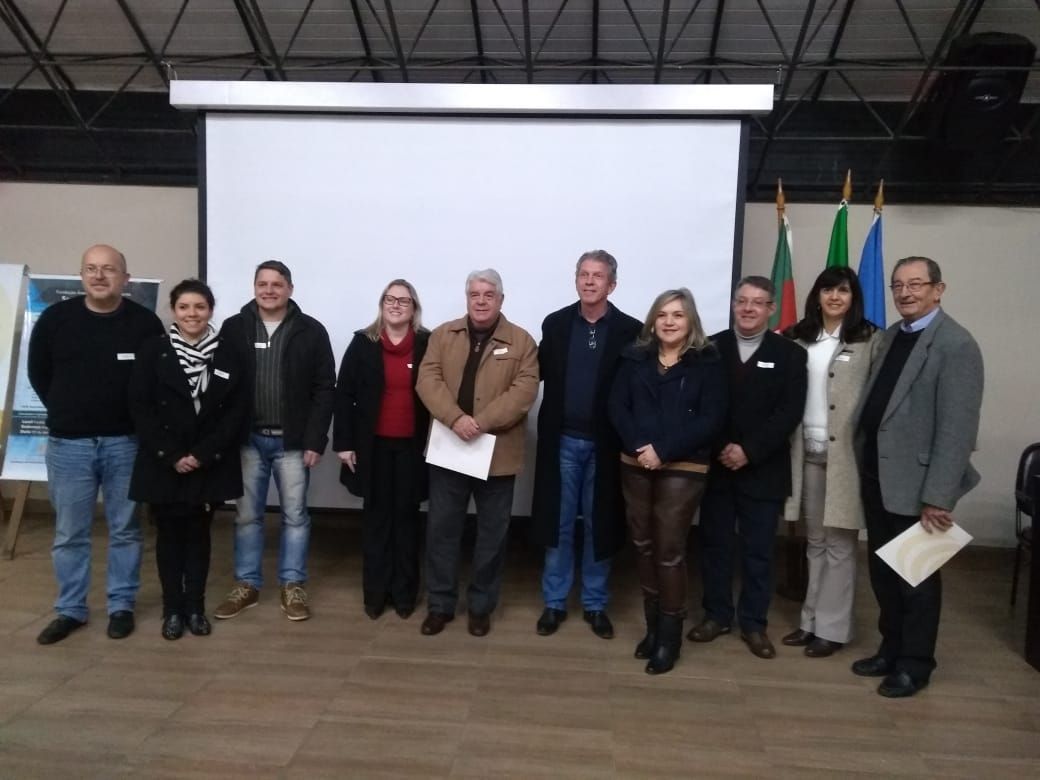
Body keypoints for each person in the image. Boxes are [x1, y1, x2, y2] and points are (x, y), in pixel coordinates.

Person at [852, 256, 983, 697]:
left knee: (917, 578)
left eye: (916, 284)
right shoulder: (892, 336)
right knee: (884, 573)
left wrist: (939, 496)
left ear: (938, 290)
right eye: (897, 285)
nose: (905, 293)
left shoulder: (956, 344)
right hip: (878, 475)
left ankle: (915, 665)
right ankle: (891, 649)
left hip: (921, 486)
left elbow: (957, 429)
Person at [28, 244, 164, 644]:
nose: (99, 276)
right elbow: (39, 374)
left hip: (126, 444)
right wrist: (68, 410)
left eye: (108, 269)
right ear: (81, 276)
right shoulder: (55, 320)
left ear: (126, 278)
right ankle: (70, 610)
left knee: (125, 530)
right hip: (69, 445)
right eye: (91, 269)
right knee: (70, 533)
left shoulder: (145, 323)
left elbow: (156, 381)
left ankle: (121, 606)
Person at [608, 288, 727, 674]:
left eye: (677, 314)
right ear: (653, 321)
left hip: (684, 465)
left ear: (690, 321)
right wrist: (639, 446)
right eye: (662, 314)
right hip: (636, 461)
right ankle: (653, 629)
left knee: (669, 550)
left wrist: (663, 450)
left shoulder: (707, 361)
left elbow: (711, 419)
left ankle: (670, 639)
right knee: (643, 546)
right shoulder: (635, 357)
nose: (669, 321)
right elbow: (617, 406)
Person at [415, 269, 539, 638]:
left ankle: (481, 607)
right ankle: (440, 605)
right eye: (475, 294)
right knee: (442, 531)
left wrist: (480, 422)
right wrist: (455, 419)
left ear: (501, 299)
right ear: (467, 297)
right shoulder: (443, 335)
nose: (481, 301)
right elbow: (427, 379)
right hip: (449, 448)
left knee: (492, 536)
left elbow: (524, 391)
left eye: (488, 294)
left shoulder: (522, 341)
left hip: (497, 453)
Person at [689, 276, 807, 659]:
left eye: (757, 302)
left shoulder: (790, 354)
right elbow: (700, 404)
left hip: (764, 469)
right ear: (733, 305)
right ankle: (716, 615)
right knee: (715, 546)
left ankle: (754, 624)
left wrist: (749, 451)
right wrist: (724, 447)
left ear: (771, 308)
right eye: (742, 301)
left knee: (759, 552)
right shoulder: (710, 348)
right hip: (718, 466)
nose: (748, 308)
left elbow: (789, 412)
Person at [213, 260, 335, 622]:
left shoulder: (311, 330)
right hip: (247, 441)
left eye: (277, 284)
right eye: (262, 284)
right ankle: (246, 585)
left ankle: (292, 585)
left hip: (293, 443)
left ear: (290, 289)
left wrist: (315, 439)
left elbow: (324, 389)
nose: (269, 290)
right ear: (254, 288)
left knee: (295, 517)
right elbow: (222, 384)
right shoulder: (234, 327)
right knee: (247, 516)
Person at [530, 250, 641, 640]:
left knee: (600, 524)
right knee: (559, 525)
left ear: (612, 285)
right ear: (576, 279)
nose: (590, 281)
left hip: (607, 446)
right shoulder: (556, 324)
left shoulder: (631, 330)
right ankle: (555, 602)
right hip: (562, 440)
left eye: (598, 276)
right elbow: (533, 374)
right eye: (584, 274)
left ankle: (595, 604)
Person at [128, 279, 248, 640]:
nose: (192, 314)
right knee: (168, 538)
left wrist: (202, 454)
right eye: (184, 307)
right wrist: (173, 455)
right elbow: (140, 407)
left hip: (209, 462)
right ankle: (172, 610)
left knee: (199, 537)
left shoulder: (229, 351)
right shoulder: (153, 350)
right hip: (165, 462)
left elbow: (237, 411)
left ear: (210, 310)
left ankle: (195, 608)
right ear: (173, 311)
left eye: (199, 307)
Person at [779, 267, 878, 658]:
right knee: (815, 541)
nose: (835, 297)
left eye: (843, 290)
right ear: (816, 296)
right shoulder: (797, 338)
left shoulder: (870, 340)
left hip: (845, 459)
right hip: (805, 452)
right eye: (827, 290)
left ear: (854, 297)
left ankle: (833, 629)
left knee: (840, 545)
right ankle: (810, 622)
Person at [333, 279, 431, 620]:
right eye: (390, 299)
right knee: (376, 522)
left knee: (406, 521)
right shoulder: (363, 343)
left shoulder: (428, 343)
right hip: (371, 447)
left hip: (413, 449)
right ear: (381, 304)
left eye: (404, 300)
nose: (396, 305)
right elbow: (344, 394)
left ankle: (404, 595)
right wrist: (344, 443)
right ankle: (374, 596)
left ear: (414, 308)